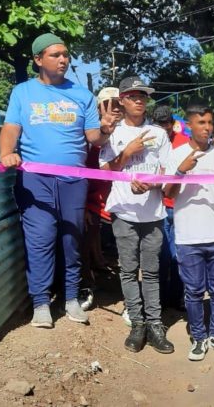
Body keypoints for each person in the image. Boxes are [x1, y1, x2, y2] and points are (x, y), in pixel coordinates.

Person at [0, 33, 118, 328]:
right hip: (34, 179)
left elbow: (93, 138)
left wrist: (105, 129)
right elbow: (11, 128)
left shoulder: (82, 96)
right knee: (39, 239)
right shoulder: (23, 93)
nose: (63, 59)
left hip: (73, 181)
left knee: (70, 239)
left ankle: (71, 298)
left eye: (66, 54)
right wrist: (6, 153)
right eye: (56, 55)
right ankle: (40, 303)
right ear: (38, 60)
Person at [163, 105, 214, 361]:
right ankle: (198, 338)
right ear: (190, 125)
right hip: (189, 237)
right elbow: (168, 194)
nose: (207, 127)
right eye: (201, 123)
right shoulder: (176, 155)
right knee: (194, 291)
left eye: (210, 122)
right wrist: (180, 171)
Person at [100, 76, 174, 353]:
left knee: (152, 273)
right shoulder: (113, 133)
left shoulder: (160, 133)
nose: (139, 100)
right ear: (122, 100)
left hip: (153, 213)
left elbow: (168, 175)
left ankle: (155, 325)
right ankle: (137, 324)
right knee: (128, 271)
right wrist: (127, 154)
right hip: (123, 212)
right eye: (132, 95)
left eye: (143, 95)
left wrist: (152, 184)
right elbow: (104, 172)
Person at [80, 87, 122, 311]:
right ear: (99, 107)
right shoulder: (91, 133)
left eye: (118, 103)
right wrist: (85, 205)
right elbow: (85, 169)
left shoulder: (129, 130)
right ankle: (87, 285)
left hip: (119, 199)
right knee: (86, 239)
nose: (115, 108)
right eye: (109, 103)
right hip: (94, 200)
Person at [151, 105, 185, 311]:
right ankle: (161, 299)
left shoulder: (184, 143)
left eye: (167, 125)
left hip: (180, 207)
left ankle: (177, 297)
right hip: (159, 207)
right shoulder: (148, 142)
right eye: (159, 126)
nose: (164, 131)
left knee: (179, 257)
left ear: (173, 124)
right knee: (161, 256)